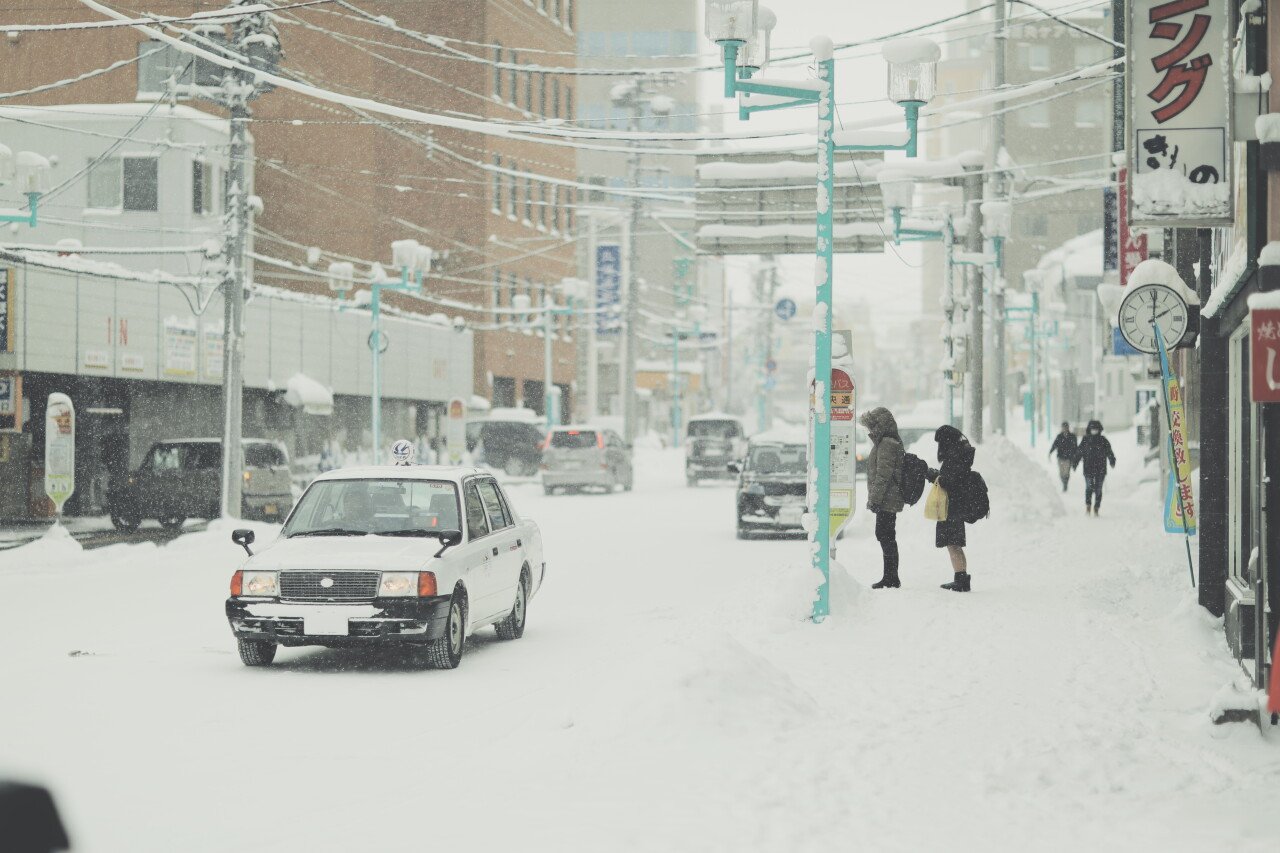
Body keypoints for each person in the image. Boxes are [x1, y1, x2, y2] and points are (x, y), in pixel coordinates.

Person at [859, 407, 906, 589]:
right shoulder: (886, 442)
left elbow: (883, 475)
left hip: (888, 498)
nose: (870, 430)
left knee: (885, 535)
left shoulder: (887, 444)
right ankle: (891, 576)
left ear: (880, 425)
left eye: (872, 426)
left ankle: (891, 577)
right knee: (886, 535)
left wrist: (875, 499)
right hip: (888, 497)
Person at [925, 425, 976, 592]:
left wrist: (934, 476)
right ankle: (960, 578)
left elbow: (950, 482)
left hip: (953, 506)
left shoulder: (955, 457)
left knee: (953, 543)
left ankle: (961, 579)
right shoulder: (960, 454)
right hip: (955, 505)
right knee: (954, 543)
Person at [1073, 419, 1115, 516]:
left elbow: (1110, 452)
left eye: (1096, 429)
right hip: (1088, 468)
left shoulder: (1103, 440)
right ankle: (1088, 505)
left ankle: (1096, 507)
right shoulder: (1085, 440)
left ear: (1099, 430)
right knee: (1089, 487)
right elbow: (1079, 452)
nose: (1094, 431)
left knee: (1098, 489)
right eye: (1092, 429)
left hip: (1101, 469)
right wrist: (1075, 463)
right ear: (1089, 429)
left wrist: (1112, 460)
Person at [1048, 421, 1078, 492]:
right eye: (1063, 427)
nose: (1064, 429)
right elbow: (1054, 445)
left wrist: (1076, 456)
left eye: (1065, 427)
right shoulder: (1059, 436)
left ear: (1068, 428)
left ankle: (1065, 484)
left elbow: (1075, 447)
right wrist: (1050, 452)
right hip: (1060, 457)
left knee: (1066, 472)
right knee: (1061, 473)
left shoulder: (1072, 436)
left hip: (1068, 458)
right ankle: (1063, 481)